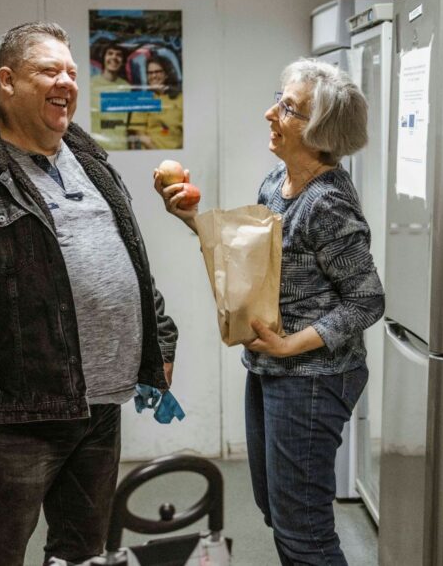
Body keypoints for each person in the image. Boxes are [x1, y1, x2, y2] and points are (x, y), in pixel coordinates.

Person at [0, 21, 178, 566]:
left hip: (100, 403)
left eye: (71, 71)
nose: (66, 81)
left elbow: (133, 262)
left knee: (81, 550)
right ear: (7, 81)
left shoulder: (90, 160)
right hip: (15, 415)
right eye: (48, 70)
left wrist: (158, 343)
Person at [154, 59, 384, 565]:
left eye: (287, 108)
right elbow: (250, 259)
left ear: (320, 130)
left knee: (304, 528)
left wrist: (289, 344)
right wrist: (192, 218)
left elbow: (367, 301)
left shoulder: (327, 205)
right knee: (276, 511)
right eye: (279, 100)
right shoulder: (276, 182)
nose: (269, 114)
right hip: (272, 369)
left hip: (315, 376)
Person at [129, 53, 183, 150]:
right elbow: (140, 133)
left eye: (157, 72)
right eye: (150, 73)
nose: (153, 76)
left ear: (166, 74)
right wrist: (158, 154)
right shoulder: (143, 100)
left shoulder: (180, 98)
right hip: (152, 154)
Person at [89, 39, 132, 151]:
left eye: (118, 55)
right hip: (96, 149)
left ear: (123, 61)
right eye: (110, 53)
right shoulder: (90, 85)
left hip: (121, 148)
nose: (114, 57)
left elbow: (129, 123)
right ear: (104, 58)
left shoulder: (127, 87)